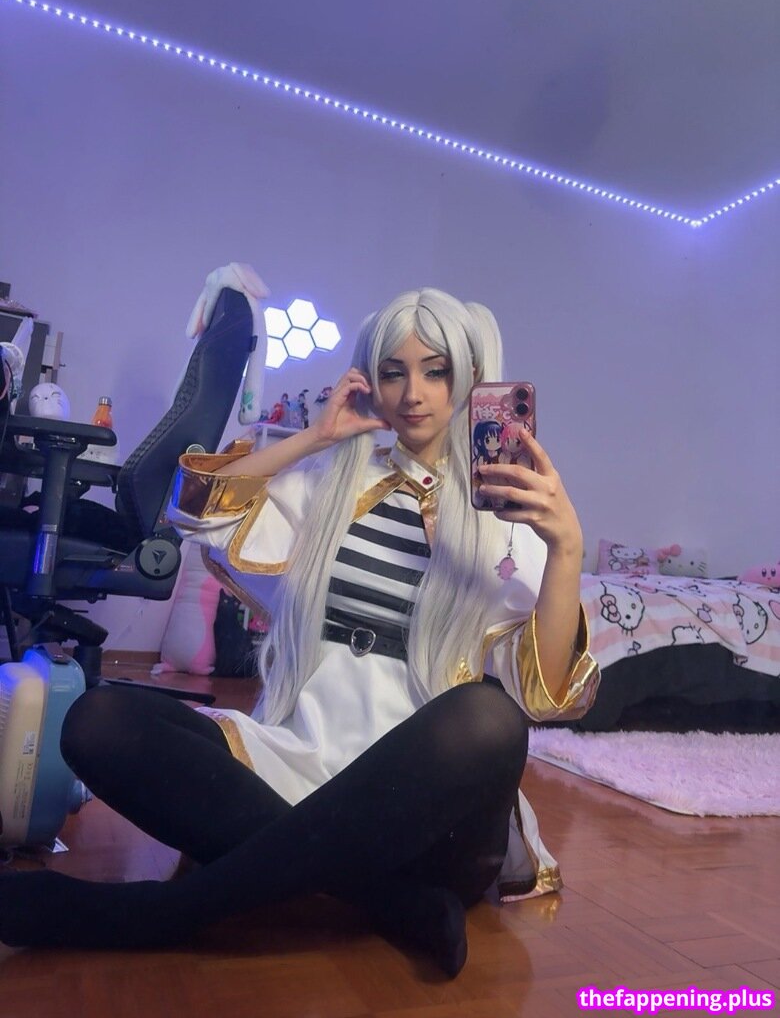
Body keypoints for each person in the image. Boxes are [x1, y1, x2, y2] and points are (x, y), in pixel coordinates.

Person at [0, 287, 598, 977]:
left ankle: (157, 914)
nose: (413, 394)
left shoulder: (505, 511)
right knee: (98, 721)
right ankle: (390, 902)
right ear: (369, 380)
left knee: (490, 718)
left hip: (426, 808)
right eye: (393, 372)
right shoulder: (333, 481)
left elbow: (546, 694)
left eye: (435, 371)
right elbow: (193, 509)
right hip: (295, 758)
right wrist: (314, 438)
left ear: (468, 379)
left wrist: (567, 548)